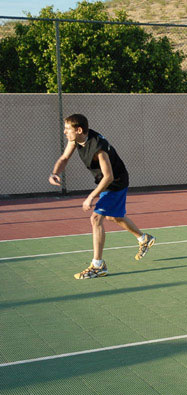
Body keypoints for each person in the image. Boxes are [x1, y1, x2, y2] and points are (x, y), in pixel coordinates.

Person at [49, 114, 156, 279]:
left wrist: (91, 197)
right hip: (105, 182)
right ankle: (143, 238)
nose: (64, 132)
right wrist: (55, 172)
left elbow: (109, 177)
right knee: (114, 217)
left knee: (96, 218)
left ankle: (98, 265)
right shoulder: (75, 140)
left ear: (79, 130)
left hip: (116, 182)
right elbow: (64, 158)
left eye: (67, 129)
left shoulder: (98, 147)